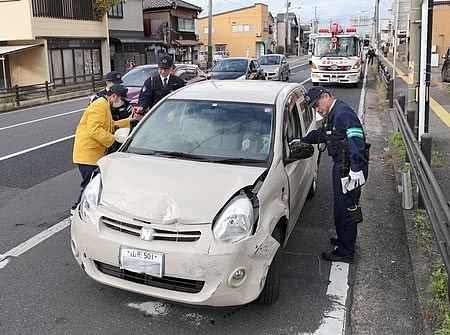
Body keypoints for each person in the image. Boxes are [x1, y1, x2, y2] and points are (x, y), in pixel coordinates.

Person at [302, 86, 369, 263]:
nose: (317, 109)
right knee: (339, 208)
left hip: (348, 168)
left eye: (317, 104)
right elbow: (326, 135)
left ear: (327, 96)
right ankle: (343, 241)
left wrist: (356, 168)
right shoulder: (333, 113)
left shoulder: (341, 113)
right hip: (342, 165)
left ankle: (346, 252)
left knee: (346, 209)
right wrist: (303, 140)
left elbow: (356, 139)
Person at [72, 84, 138, 211]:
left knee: (93, 185)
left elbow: (110, 125)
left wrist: (129, 121)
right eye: (121, 100)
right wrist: (113, 139)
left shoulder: (105, 105)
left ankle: (82, 209)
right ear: (114, 96)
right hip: (88, 155)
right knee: (90, 186)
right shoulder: (99, 106)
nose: (121, 103)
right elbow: (94, 130)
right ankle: (77, 210)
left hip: (92, 154)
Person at [132, 54, 185, 121]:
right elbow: (145, 97)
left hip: (173, 116)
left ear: (171, 68)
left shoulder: (178, 82)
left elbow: (182, 101)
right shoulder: (151, 81)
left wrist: (177, 112)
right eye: (161, 69)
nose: (163, 71)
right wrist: (141, 106)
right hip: (155, 115)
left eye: (166, 69)